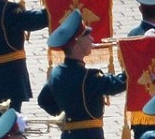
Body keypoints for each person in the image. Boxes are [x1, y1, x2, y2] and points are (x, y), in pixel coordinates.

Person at [37, 11, 124, 139]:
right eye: (87, 37)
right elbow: (119, 84)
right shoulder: (89, 77)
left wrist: (66, 114)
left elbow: (43, 100)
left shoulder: (56, 73)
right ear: (77, 48)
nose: (92, 39)